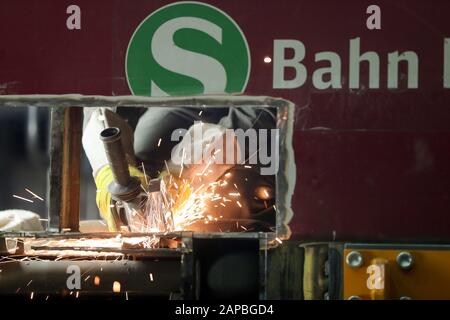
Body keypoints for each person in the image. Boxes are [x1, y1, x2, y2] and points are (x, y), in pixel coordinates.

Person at [82, 105, 276, 232]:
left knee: (232, 193)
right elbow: (102, 93)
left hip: (259, 109)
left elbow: (269, 105)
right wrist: (109, 170)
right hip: (182, 98)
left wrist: (187, 176)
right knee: (147, 149)